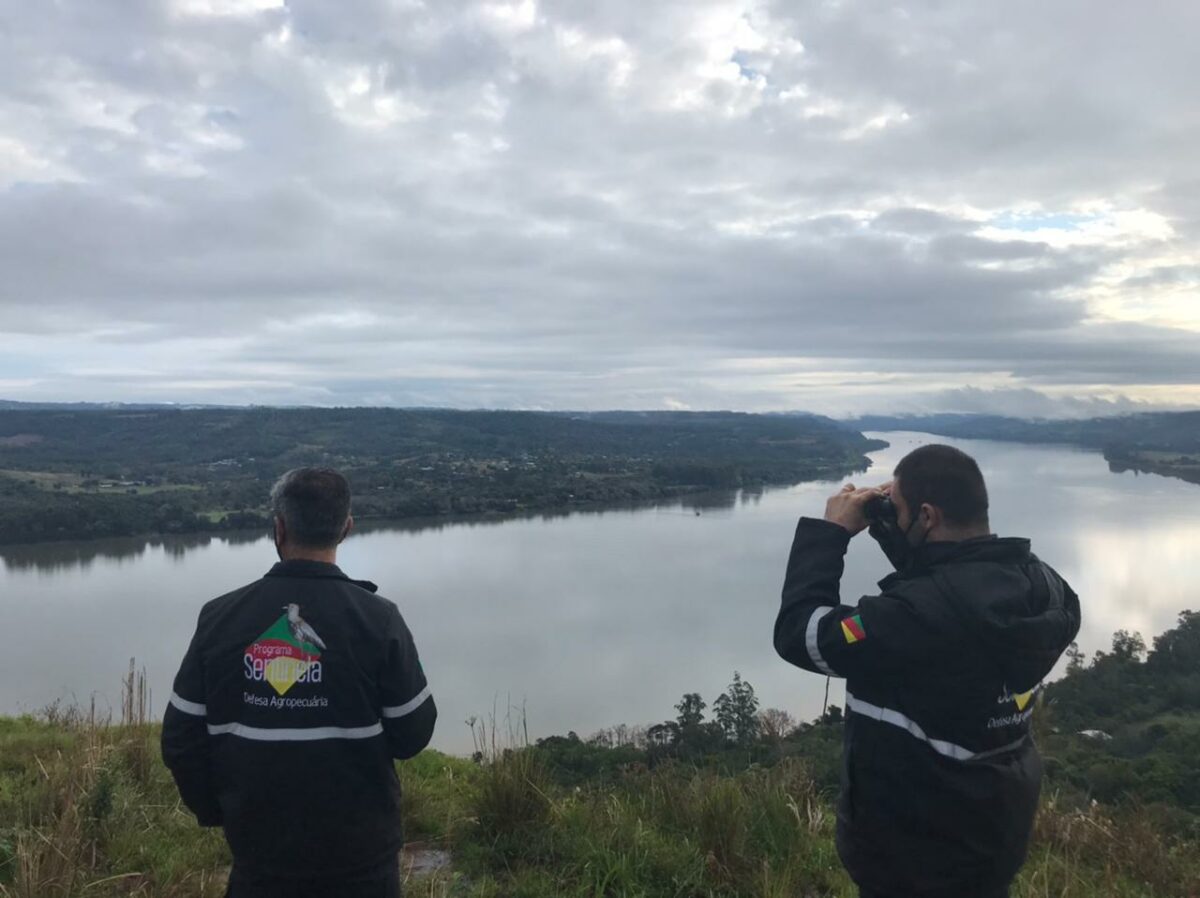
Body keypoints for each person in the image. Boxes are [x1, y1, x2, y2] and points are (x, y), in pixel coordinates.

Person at [774, 444, 1080, 898]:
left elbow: (802, 634)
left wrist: (830, 532)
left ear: (928, 516)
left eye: (897, 510)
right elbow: (951, 593)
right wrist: (896, 526)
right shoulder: (1046, 589)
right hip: (987, 845)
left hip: (911, 861)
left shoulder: (909, 619)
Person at [162, 467, 436, 898]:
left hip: (259, 856)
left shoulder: (219, 617)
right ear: (346, 528)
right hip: (362, 861)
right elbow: (413, 734)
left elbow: (180, 739)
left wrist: (221, 810)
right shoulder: (378, 619)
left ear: (279, 527)